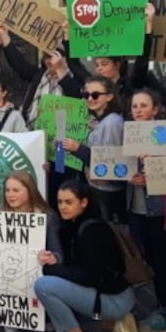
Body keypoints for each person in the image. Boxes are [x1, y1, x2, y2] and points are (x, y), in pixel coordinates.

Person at [33, 180, 138, 332]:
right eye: (59, 202)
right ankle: (113, 325)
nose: (63, 207)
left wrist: (54, 269)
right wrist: (55, 260)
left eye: (69, 202)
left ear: (84, 202)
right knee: (56, 314)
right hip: (106, 294)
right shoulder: (73, 225)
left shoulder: (93, 231)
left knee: (44, 286)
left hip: (112, 297)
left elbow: (89, 276)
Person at [0, 171, 63, 332]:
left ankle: (44, 316)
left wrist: (53, 258)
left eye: (16, 190)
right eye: (7, 190)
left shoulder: (47, 216)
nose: (10, 195)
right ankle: (8, 315)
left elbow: (59, 253)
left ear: (29, 191)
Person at [67, 4, 162, 112]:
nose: (99, 69)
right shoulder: (92, 85)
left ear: (117, 65)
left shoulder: (129, 85)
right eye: (96, 65)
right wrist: (67, 35)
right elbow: (74, 66)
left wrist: (148, 25)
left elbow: (141, 62)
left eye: (104, 64)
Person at [126, 89, 166, 332]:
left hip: (158, 211)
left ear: (155, 109)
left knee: (161, 260)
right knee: (150, 259)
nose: (138, 110)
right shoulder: (128, 134)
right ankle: (158, 306)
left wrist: (153, 168)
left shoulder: (162, 134)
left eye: (143, 105)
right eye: (134, 106)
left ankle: (162, 310)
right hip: (136, 209)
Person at [63, 76, 126, 223]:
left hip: (107, 193)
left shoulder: (112, 123)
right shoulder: (100, 120)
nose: (90, 98)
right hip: (97, 188)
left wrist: (77, 148)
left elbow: (110, 163)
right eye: (86, 95)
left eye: (95, 95)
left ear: (109, 97)